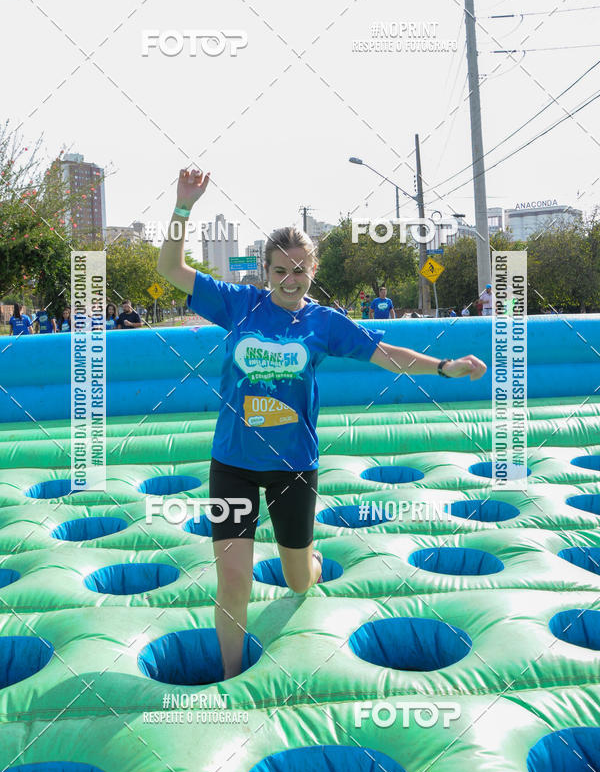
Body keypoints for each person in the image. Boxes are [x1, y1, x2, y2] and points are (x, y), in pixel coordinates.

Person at [157, 168, 487, 680]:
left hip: (294, 468)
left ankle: (307, 560)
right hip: (233, 466)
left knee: (298, 579)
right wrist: (183, 205)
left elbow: (385, 353)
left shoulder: (324, 323)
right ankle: (228, 675)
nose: (290, 281)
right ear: (264, 272)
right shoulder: (237, 305)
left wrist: (443, 367)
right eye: (279, 272)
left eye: (299, 271)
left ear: (313, 269)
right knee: (234, 579)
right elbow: (171, 268)